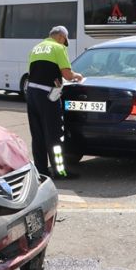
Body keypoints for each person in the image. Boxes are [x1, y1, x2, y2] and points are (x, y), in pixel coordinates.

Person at [25, 25, 83, 178]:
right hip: (48, 95)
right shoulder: (58, 48)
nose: (65, 45)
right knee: (54, 135)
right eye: (65, 41)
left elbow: (33, 73)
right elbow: (67, 74)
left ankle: (41, 172)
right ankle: (60, 171)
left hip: (31, 94)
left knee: (37, 135)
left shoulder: (36, 48)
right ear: (61, 37)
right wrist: (78, 76)